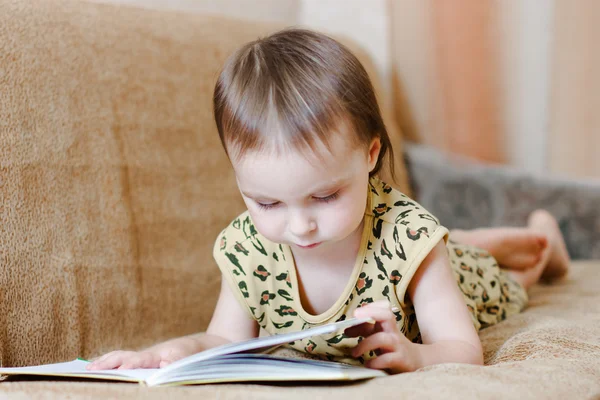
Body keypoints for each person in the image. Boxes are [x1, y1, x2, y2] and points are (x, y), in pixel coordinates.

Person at [87, 28, 570, 373]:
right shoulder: (247, 248)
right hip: (419, 251)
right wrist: (169, 351)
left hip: (448, 278)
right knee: (441, 247)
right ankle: (466, 240)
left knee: (515, 280)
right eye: (267, 203)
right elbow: (224, 340)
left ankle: (540, 243)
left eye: (324, 195)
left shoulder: (407, 235)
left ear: (370, 153)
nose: (299, 227)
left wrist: (417, 354)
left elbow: (463, 348)